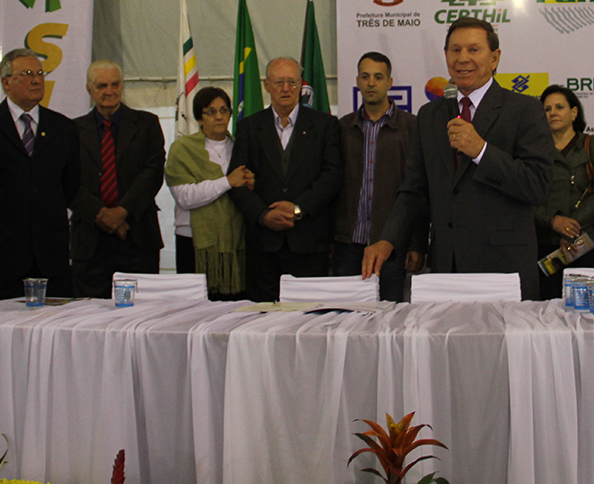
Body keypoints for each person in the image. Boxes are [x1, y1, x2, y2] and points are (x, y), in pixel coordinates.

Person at [363, 18, 553, 300]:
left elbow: (537, 185)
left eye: (473, 50)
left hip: (504, 268)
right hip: (446, 267)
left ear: (495, 58)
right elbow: (413, 191)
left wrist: (481, 151)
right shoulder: (430, 116)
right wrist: (388, 238)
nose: (462, 58)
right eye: (455, 50)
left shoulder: (525, 110)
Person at [229, 57, 342, 302]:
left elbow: (332, 177)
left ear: (300, 85)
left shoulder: (325, 125)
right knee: (262, 323)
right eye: (279, 82)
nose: (286, 89)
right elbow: (237, 182)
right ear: (266, 85)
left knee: (309, 324)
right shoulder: (248, 128)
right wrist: (262, 215)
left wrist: (298, 209)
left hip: (309, 244)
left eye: (292, 82)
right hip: (263, 246)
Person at [0, 49, 81, 299]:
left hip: (51, 257)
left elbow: (71, 185)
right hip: (0, 256)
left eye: (39, 74)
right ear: (6, 82)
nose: (36, 80)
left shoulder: (63, 128)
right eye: (27, 74)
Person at [69, 61, 167, 298]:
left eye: (115, 84)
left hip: (138, 237)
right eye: (102, 85)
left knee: (140, 319)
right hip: (90, 242)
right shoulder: (72, 130)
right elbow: (68, 180)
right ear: (89, 90)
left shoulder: (147, 124)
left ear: (122, 86)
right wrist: (102, 214)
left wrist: (122, 212)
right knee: (88, 319)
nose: (109, 91)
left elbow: (153, 172)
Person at [335, 52, 427, 301]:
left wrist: (417, 244)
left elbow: (419, 191)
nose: (371, 83)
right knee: (346, 320)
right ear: (357, 81)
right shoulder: (342, 128)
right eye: (365, 77)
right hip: (348, 245)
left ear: (390, 82)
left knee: (390, 323)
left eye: (378, 77)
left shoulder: (411, 127)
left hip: (393, 245)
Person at [165, 86, 254, 298]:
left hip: (234, 240)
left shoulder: (241, 147)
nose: (219, 117)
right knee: (196, 306)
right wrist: (227, 182)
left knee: (235, 304)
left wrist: (251, 182)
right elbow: (185, 197)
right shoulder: (183, 149)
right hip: (195, 241)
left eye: (224, 110)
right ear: (199, 117)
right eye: (211, 111)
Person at [534, 85, 594, 300]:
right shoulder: (533, 150)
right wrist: (553, 221)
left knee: (590, 310)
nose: (552, 113)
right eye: (547, 109)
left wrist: (569, 228)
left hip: (586, 242)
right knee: (548, 313)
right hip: (546, 245)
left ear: (574, 112)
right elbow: (526, 195)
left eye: (559, 107)